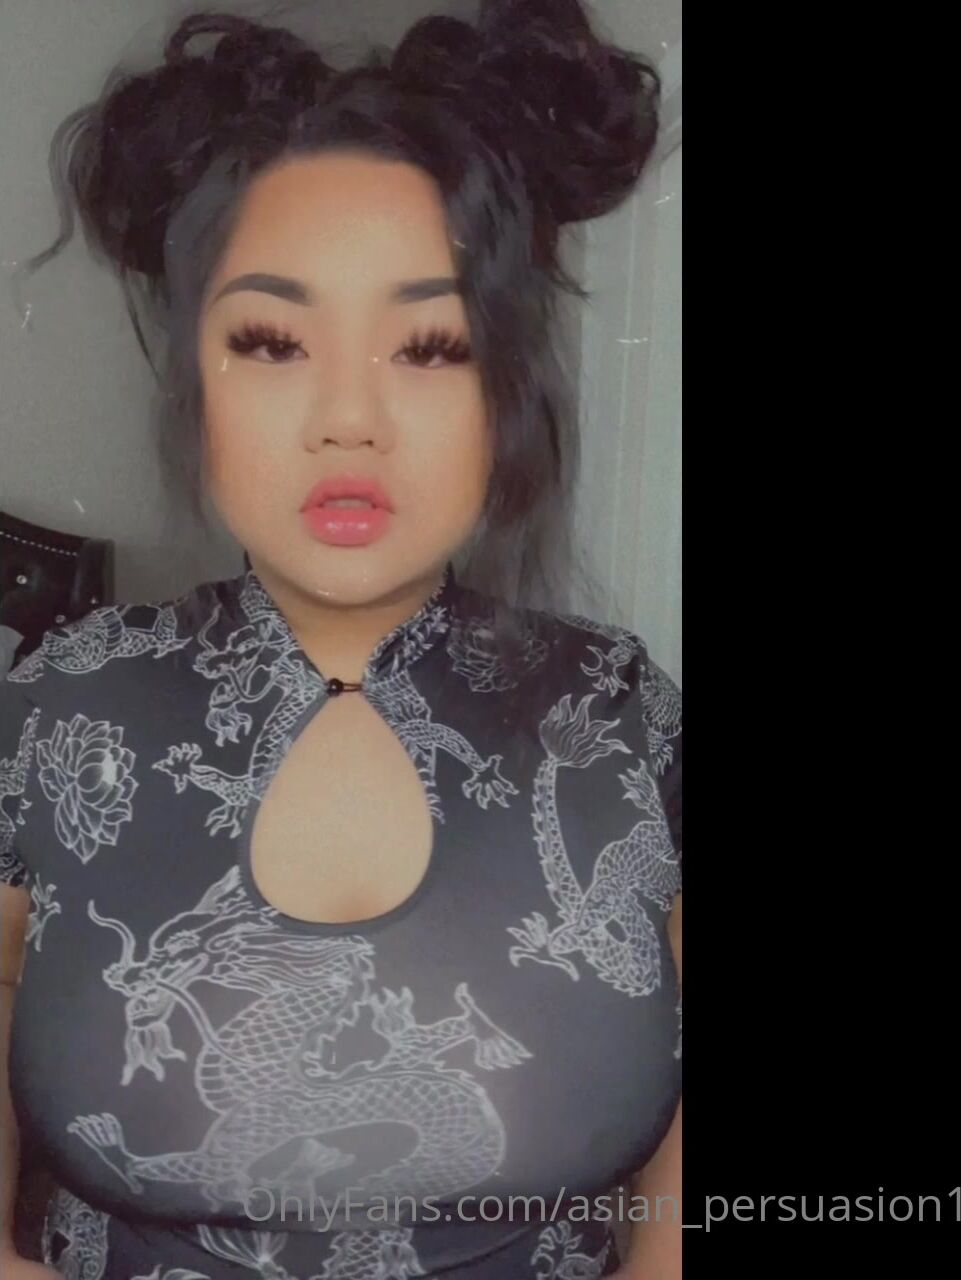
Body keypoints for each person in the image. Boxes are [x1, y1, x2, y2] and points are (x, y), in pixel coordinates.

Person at [0, 2, 682, 1275]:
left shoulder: (618, 710)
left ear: (506, 391)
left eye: (429, 345)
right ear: (196, 381)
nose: (348, 416)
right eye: (272, 341)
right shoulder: (63, 705)